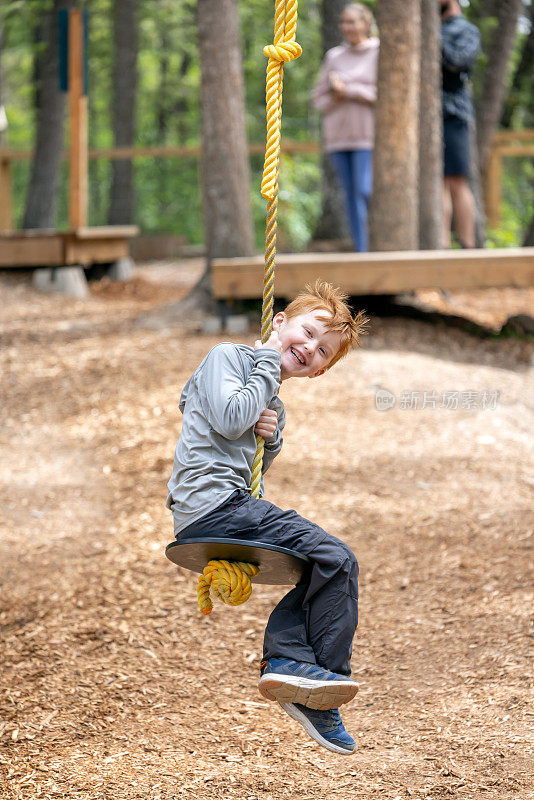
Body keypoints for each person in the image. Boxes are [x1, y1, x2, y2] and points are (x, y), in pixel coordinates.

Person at [166, 281, 367, 755]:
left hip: (230, 503)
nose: (310, 348)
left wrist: (271, 440)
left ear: (319, 372)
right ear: (279, 323)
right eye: (307, 332)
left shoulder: (271, 398)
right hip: (212, 506)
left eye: (323, 351)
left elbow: (248, 466)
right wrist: (262, 373)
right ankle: (306, 675)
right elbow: (231, 418)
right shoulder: (230, 357)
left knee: (323, 566)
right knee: (338, 560)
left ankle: (300, 671)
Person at [311, 3, 379, 252]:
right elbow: (318, 99)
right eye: (343, 22)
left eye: (352, 22)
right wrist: (335, 94)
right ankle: (361, 249)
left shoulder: (378, 51)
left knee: (364, 190)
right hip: (338, 137)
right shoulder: (334, 56)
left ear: (366, 23)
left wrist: (349, 90)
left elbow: (387, 95)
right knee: (350, 195)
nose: (346, 27)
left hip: (368, 137)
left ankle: (376, 243)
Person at [440, 0, 480, 248]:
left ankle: (468, 247)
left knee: (456, 182)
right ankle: (440, 248)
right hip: (428, 118)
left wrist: (434, 35)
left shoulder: (466, 30)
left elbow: (457, 61)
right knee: (438, 183)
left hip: (454, 115)